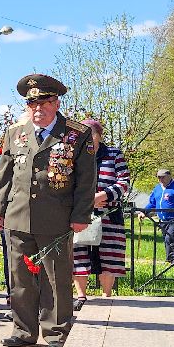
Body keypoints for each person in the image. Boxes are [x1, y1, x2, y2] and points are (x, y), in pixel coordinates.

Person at [0, 74, 96, 347]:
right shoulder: (16, 132)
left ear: (56, 102)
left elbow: (86, 180)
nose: (38, 109)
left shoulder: (76, 134)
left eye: (44, 103)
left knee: (56, 277)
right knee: (19, 276)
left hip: (57, 217)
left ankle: (56, 333)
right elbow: (4, 177)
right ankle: (23, 330)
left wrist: (81, 215)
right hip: (18, 214)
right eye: (32, 104)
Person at [71, 118, 131, 307]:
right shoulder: (73, 154)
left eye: (91, 134)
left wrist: (102, 195)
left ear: (99, 135)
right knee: (79, 253)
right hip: (81, 214)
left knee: (109, 255)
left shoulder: (114, 155)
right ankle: (81, 296)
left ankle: (107, 295)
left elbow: (124, 182)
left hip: (108, 214)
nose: (87, 138)